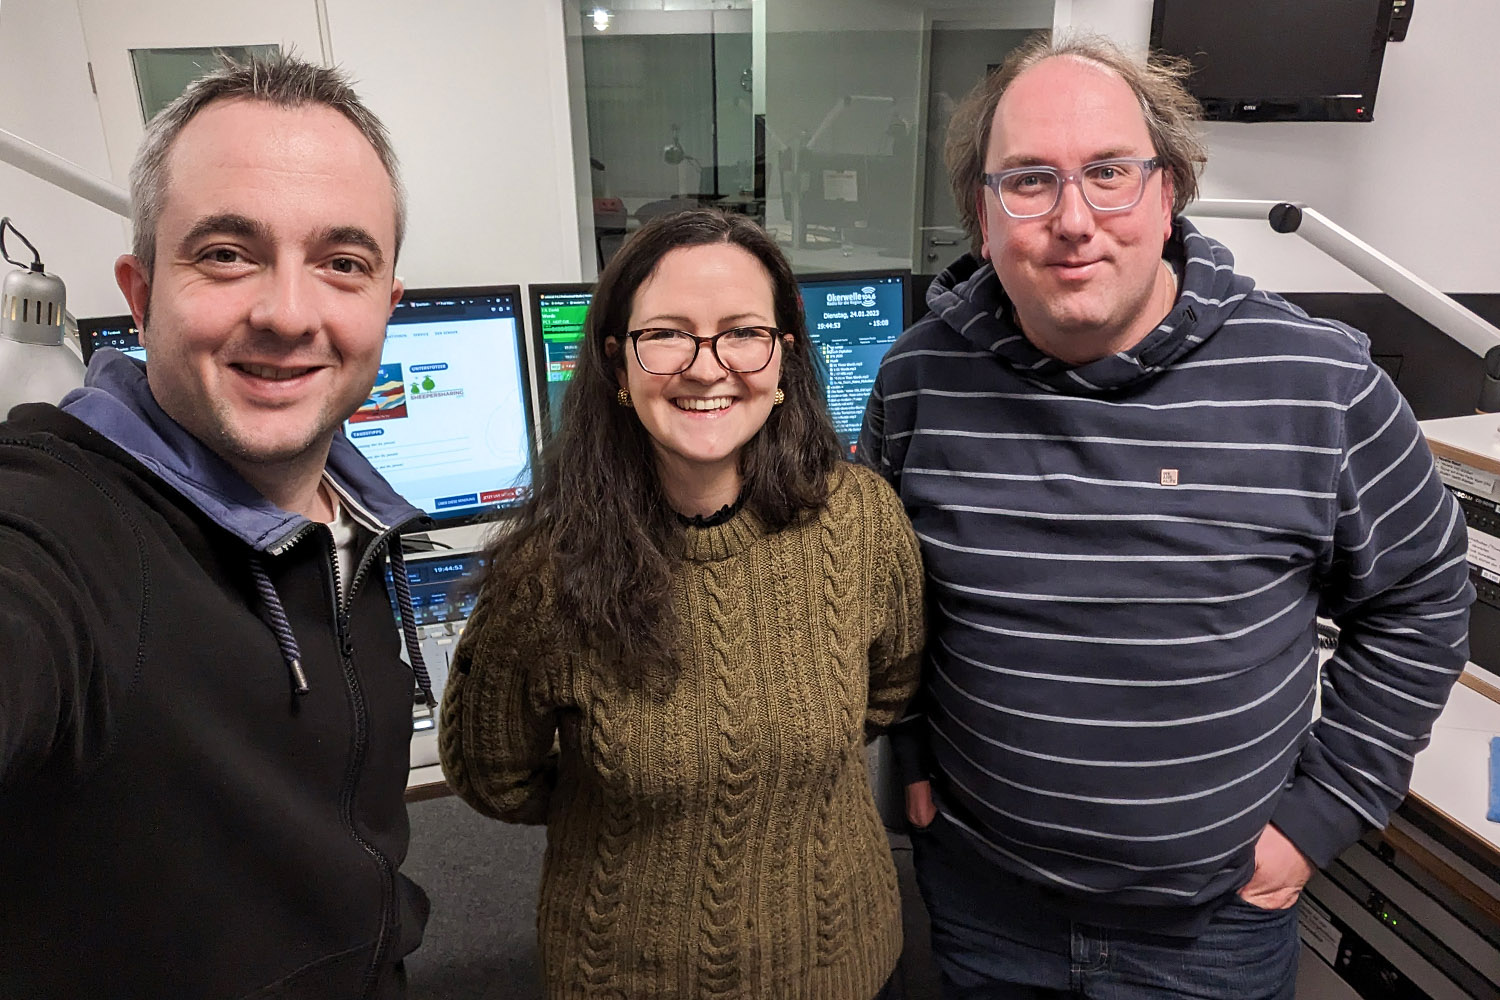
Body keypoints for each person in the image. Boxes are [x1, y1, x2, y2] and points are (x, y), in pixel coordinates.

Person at [859, 33, 1473, 1000]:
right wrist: (914, 753)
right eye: (1028, 180)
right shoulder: (919, 378)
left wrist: (1325, 810)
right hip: (984, 905)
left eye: (1108, 172)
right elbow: (891, 603)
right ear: (982, 218)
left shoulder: (1321, 385)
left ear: (1170, 189)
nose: (1073, 220)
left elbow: (1424, 601)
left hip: (1214, 930)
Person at [0, 55, 433, 998]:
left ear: (387, 307)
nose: (286, 312)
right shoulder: (68, 519)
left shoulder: (356, 529)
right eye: (228, 253)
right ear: (143, 290)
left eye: (342, 263)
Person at [440, 209, 925, 999]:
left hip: (845, 962)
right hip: (625, 976)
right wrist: (625, 794)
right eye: (666, 335)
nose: (708, 369)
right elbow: (493, 774)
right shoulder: (544, 573)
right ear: (617, 366)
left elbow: (890, 690)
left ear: (783, 360)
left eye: (743, 333)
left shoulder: (861, 520)